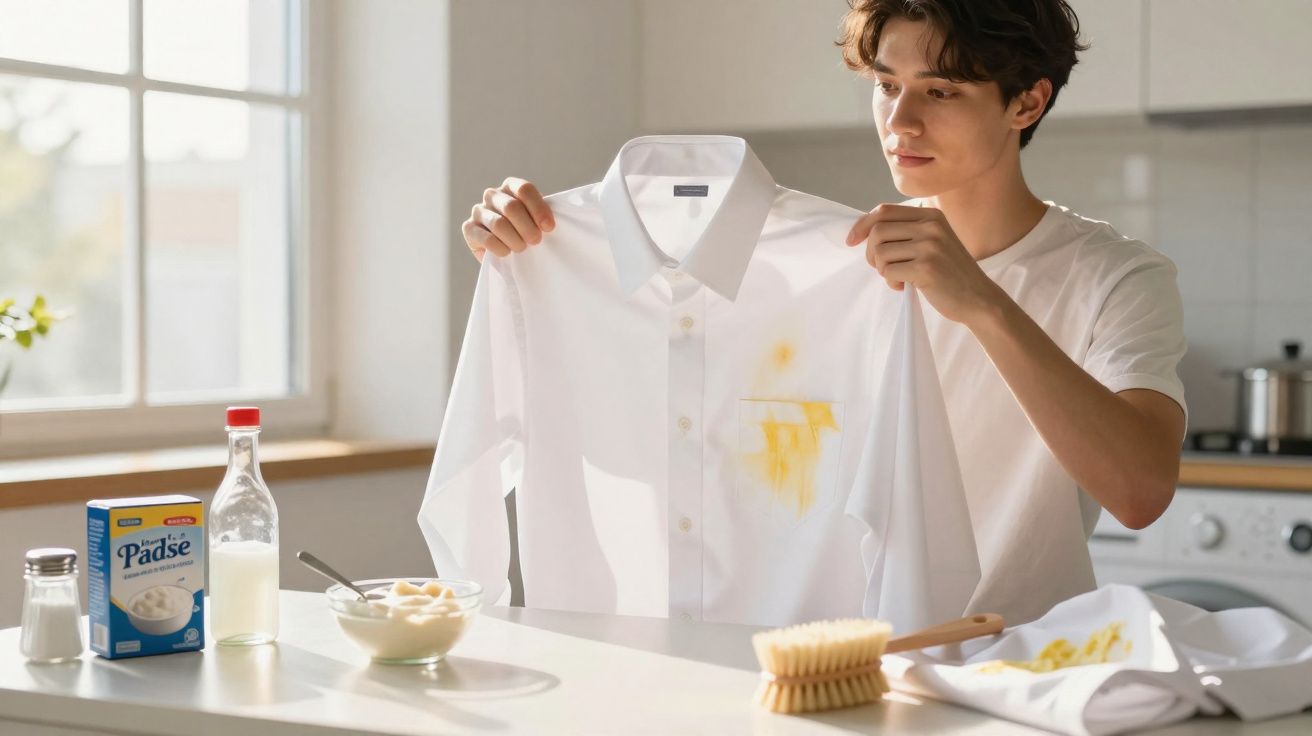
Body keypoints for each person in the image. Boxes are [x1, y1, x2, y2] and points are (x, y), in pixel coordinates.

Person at [454, 0, 1187, 624]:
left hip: (1020, 667)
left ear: (1027, 101)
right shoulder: (826, 265)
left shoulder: (1116, 277)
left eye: (940, 92)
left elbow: (1139, 491)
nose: (900, 121)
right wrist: (538, 264)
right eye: (885, 85)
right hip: (853, 675)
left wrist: (983, 305)